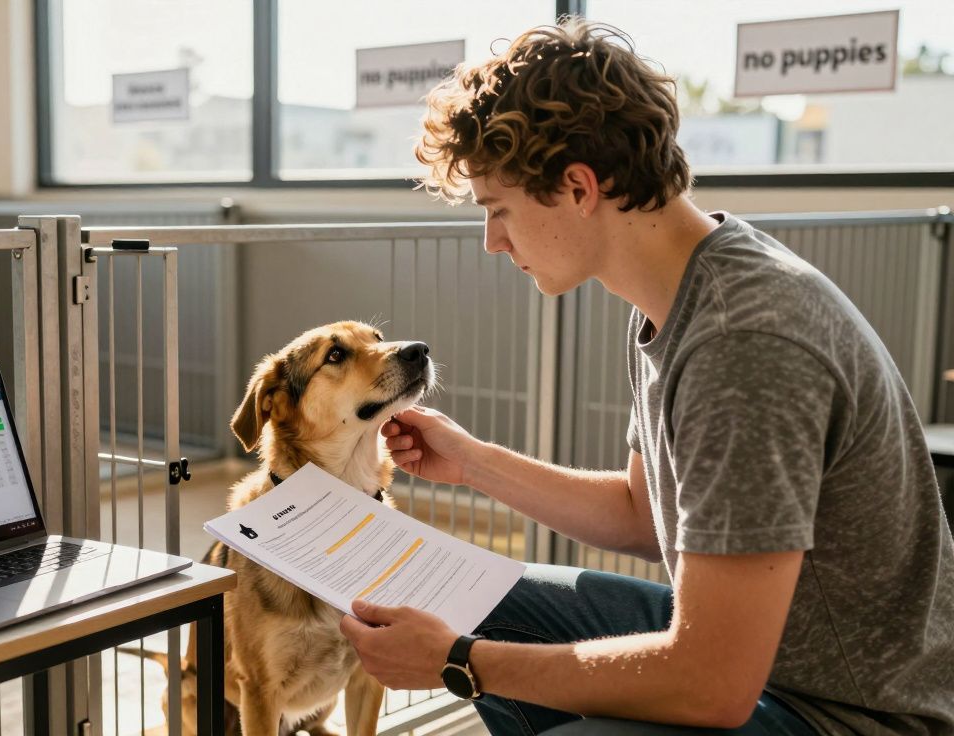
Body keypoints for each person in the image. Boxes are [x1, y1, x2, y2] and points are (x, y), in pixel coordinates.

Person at [338, 18, 954, 736]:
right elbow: (641, 511)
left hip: (848, 713)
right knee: (473, 596)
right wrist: (473, 463)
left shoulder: (742, 342)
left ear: (578, 187)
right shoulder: (677, 292)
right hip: (769, 664)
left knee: (492, 656)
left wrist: (458, 662)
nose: (492, 241)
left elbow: (710, 686)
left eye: (498, 209)